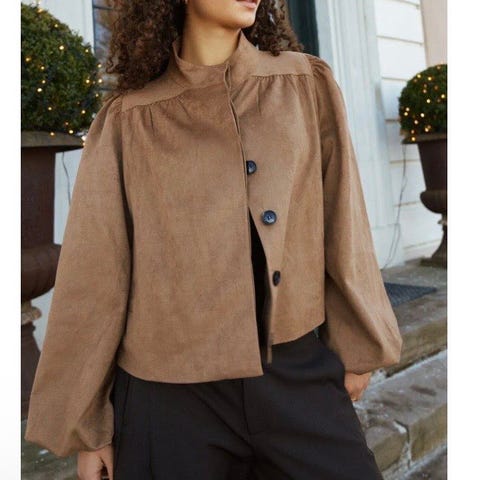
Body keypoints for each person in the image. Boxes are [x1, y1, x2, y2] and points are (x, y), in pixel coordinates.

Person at [25, 0, 404, 479]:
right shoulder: (128, 118)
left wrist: (359, 341)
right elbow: (95, 272)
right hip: (168, 398)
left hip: (294, 371)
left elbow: (343, 220)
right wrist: (88, 427)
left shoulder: (304, 83)